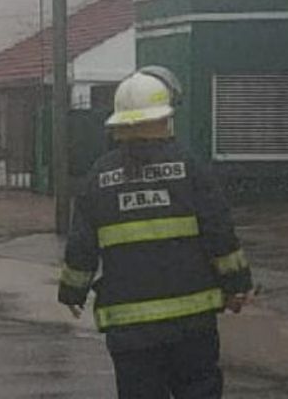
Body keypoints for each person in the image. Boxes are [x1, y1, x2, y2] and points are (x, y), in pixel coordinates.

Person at [58, 66, 253, 399]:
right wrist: (237, 286)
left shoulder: (99, 177)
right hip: (192, 323)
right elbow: (219, 232)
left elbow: (81, 246)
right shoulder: (190, 168)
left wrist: (72, 293)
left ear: (118, 125)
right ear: (164, 119)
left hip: (130, 329)